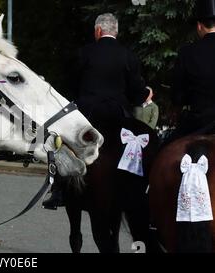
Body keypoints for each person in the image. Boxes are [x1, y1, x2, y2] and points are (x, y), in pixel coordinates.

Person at [43, 13, 152, 210]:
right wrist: (147, 92)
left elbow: (70, 86)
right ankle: (143, 188)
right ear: (116, 32)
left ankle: (59, 190)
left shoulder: (84, 53)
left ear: (98, 31)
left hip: (88, 114)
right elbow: (137, 93)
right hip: (118, 115)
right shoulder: (128, 55)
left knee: (62, 143)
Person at [166, 0, 215, 143]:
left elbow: (178, 93)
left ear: (199, 26)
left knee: (163, 151)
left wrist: (177, 106)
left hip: (200, 122)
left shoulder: (187, 52)